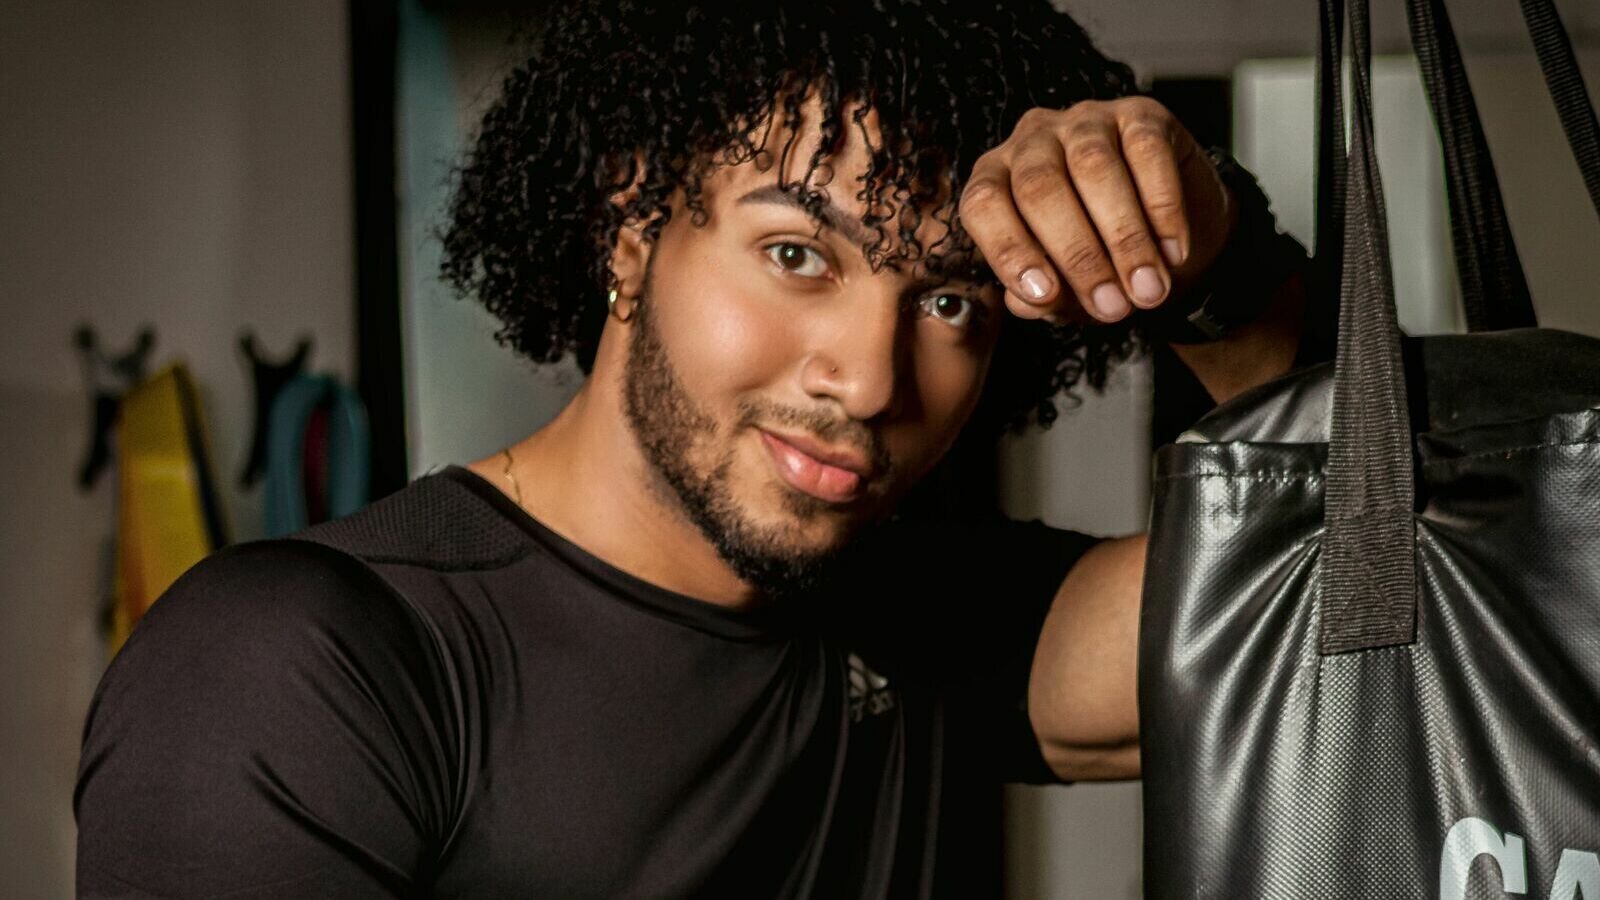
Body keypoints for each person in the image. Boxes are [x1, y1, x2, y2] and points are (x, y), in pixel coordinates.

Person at [74, 0, 1314, 896]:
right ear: (631, 222)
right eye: (796, 255)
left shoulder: (914, 619)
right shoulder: (301, 664)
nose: (870, 379)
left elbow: (1355, 582)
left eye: (947, 302)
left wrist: (1215, 266)